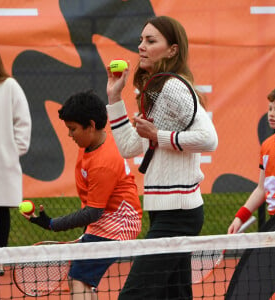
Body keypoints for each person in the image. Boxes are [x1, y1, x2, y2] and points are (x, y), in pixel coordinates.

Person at [106, 16, 218, 299]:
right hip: (163, 211)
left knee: (134, 294)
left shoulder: (174, 87)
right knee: (174, 295)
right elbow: (130, 147)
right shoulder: (154, 90)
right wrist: (114, 98)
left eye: (151, 41)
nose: (141, 46)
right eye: (142, 40)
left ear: (172, 50)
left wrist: (159, 135)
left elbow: (209, 139)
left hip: (178, 213)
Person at [22, 90, 142, 300]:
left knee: (78, 278)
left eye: (73, 129)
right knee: (81, 279)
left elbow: (93, 212)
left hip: (119, 223)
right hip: (105, 217)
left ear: (92, 125)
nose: (70, 135)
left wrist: (52, 224)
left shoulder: (104, 162)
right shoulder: (91, 143)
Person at [228, 85, 275, 234]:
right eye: (270, 109)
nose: (271, 114)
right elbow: (262, 188)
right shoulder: (267, 145)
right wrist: (240, 218)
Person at [0, 45, 32, 276]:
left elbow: (23, 120)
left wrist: (12, 151)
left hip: (0, 162)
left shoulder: (8, 86)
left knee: (0, 210)